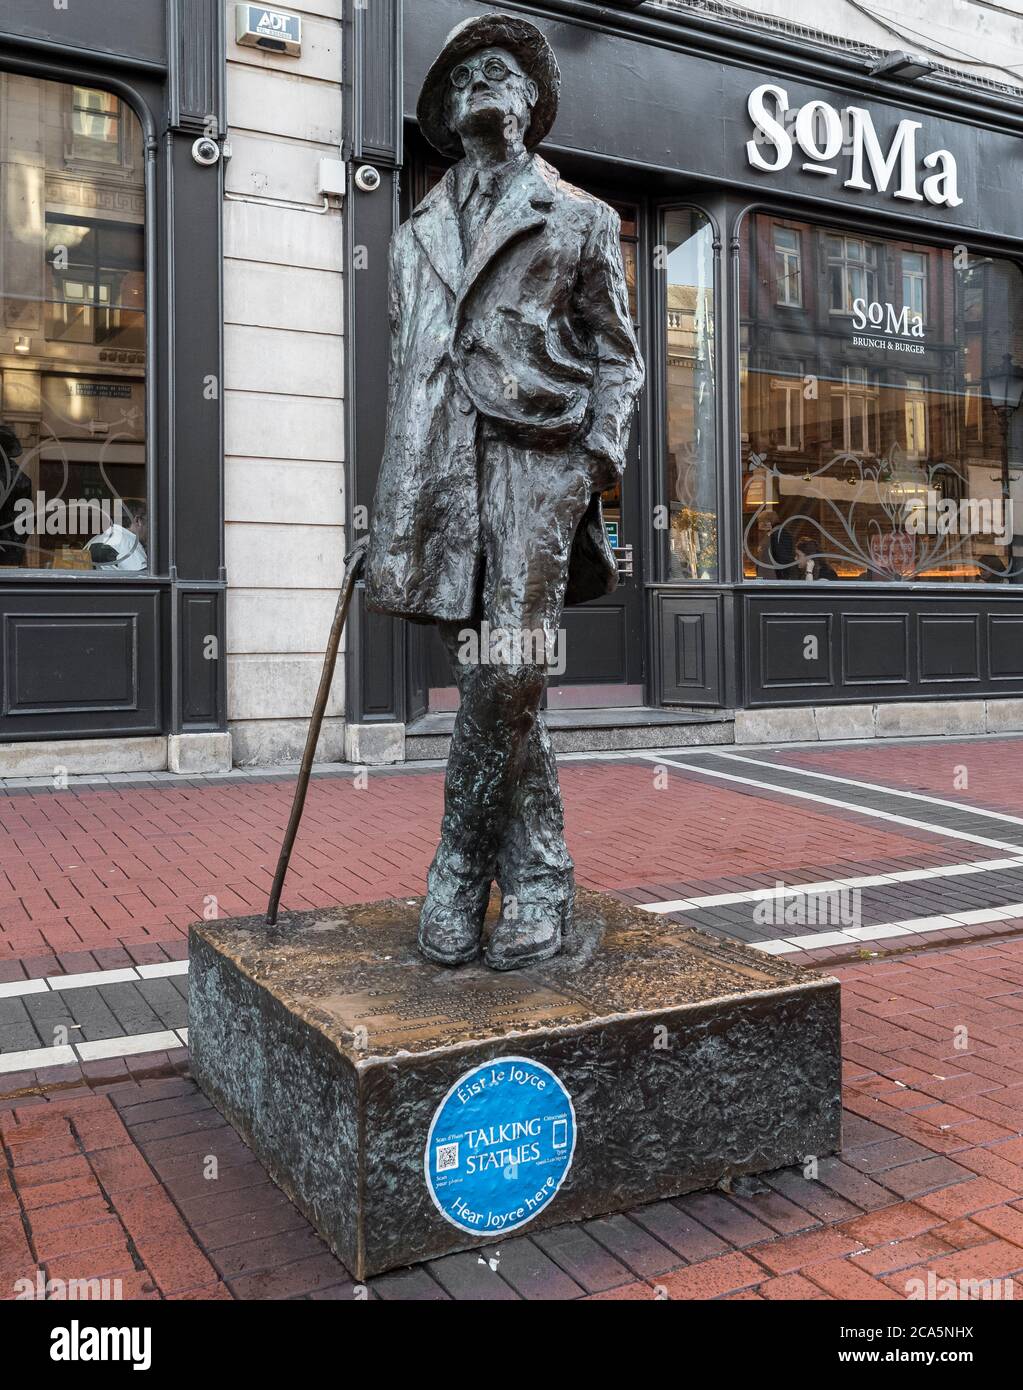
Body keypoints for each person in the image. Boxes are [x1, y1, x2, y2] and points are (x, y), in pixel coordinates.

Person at [365, 14, 644, 970]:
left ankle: (457, 869)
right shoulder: (410, 238)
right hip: (437, 475)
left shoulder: (580, 217)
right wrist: (391, 503)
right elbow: (408, 369)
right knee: (494, 686)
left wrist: (591, 460)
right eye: (465, 74)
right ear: (445, 112)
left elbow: (621, 358)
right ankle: (536, 877)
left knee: (513, 670)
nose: (485, 80)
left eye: (504, 71)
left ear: (531, 104)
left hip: (537, 459)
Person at [86, 501, 148, 572]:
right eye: (149, 523)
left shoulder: (95, 539)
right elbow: (143, 579)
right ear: (138, 521)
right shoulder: (129, 543)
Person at [753, 509, 797, 578]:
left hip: (774, 577)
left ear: (767, 522)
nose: (759, 525)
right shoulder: (774, 534)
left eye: (760, 521)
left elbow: (782, 558)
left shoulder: (776, 535)